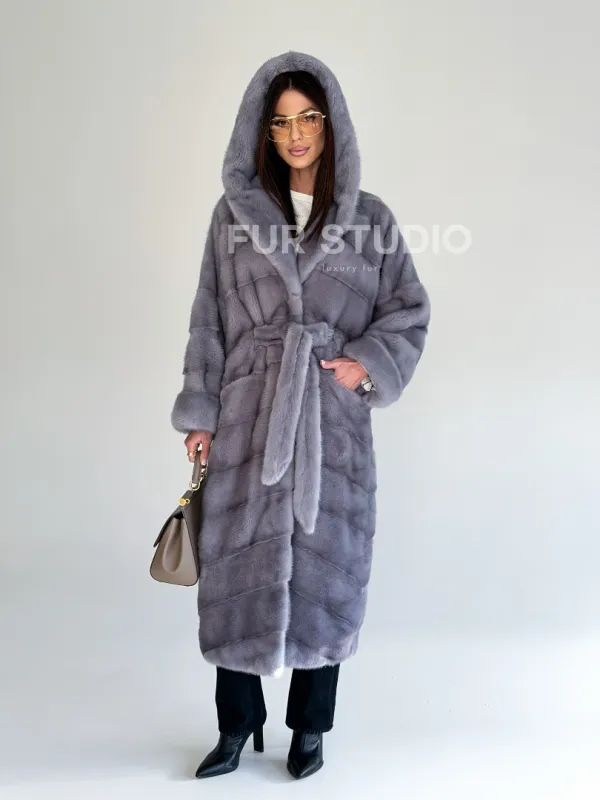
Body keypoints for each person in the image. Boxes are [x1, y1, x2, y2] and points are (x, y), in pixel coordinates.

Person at [170, 50, 431, 780]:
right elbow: (208, 320)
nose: (295, 134)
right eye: (281, 122)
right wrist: (202, 412)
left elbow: (408, 309)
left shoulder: (369, 219)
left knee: (328, 569)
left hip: (329, 422)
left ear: (330, 123)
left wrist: (363, 365)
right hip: (248, 414)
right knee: (235, 567)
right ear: (262, 130)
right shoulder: (233, 217)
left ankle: (311, 728)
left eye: (308, 118)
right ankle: (236, 726)